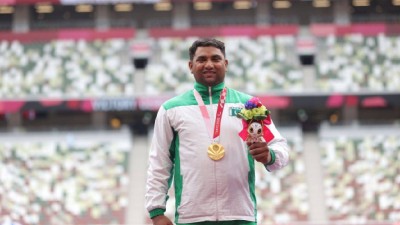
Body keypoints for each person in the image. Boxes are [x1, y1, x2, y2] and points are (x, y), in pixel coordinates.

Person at [145, 38, 289, 225]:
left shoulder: (249, 105)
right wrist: (156, 212)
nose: (209, 64)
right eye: (202, 60)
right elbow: (159, 162)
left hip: (240, 216)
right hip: (191, 217)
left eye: (215, 59)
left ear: (226, 64)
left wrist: (269, 156)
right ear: (191, 65)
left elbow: (280, 148)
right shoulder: (171, 109)